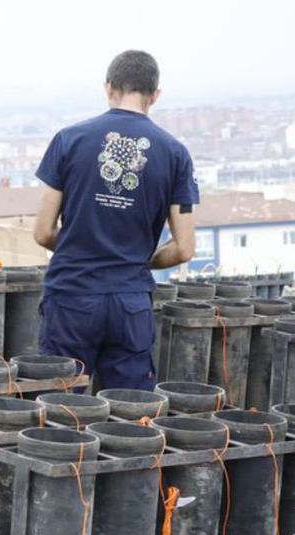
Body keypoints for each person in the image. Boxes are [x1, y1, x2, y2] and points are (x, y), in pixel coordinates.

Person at [33, 49, 198, 391]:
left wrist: (80, 248)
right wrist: (138, 261)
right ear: (155, 95)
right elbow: (184, 250)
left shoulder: (69, 140)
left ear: (109, 88)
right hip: (130, 300)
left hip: (72, 295)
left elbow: (42, 232)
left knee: (64, 413)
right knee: (129, 418)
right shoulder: (175, 153)